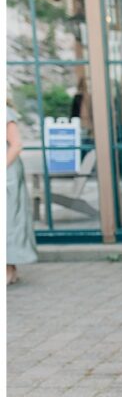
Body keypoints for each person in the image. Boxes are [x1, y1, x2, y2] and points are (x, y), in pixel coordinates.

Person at [7, 106, 37, 285]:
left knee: (9, 223)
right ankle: (11, 270)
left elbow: (16, 145)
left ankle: (8, 271)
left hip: (7, 174)